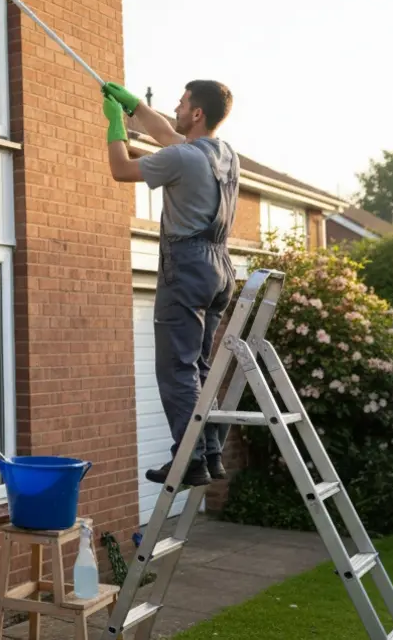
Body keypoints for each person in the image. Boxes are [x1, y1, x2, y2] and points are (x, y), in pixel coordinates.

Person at [101, 80, 240, 487]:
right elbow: (166, 134)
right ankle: (210, 453)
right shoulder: (224, 154)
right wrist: (134, 107)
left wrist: (115, 125)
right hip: (219, 268)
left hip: (187, 267)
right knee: (199, 366)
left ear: (197, 113)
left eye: (181, 104)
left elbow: (120, 169)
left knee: (176, 368)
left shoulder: (181, 158)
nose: (175, 108)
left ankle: (190, 458)